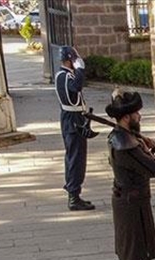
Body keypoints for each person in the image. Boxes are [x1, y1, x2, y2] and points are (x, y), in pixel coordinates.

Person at [106, 89, 155, 260]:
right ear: (127, 117)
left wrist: (144, 144)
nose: (140, 116)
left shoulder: (125, 137)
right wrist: (148, 151)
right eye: (136, 113)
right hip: (130, 202)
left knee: (137, 250)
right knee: (132, 253)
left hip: (133, 200)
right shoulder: (125, 144)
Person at [55, 45, 97, 211]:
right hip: (72, 120)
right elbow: (76, 87)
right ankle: (73, 196)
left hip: (75, 117)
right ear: (69, 60)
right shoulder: (64, 76)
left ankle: (75, 193)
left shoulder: (65, 75)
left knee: (77, 157)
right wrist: (80, 70)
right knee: (75, 159)